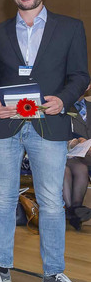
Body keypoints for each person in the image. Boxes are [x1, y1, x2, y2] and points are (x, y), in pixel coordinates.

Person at [0, 0, 88, 282]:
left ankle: (54, 272)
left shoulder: (70, 28)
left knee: (51, 201)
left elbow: (80, 75)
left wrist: (63, 99)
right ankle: (0, 267)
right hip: (5, 126)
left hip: (49, 125)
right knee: (3, 198)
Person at [65, 87, 91, 231]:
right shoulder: (63, 106)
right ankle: (75, 211)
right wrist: (76, 140)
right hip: (70, 152)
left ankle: (73, 212)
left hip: (86, 154)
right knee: (78, 169)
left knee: (80, 167)